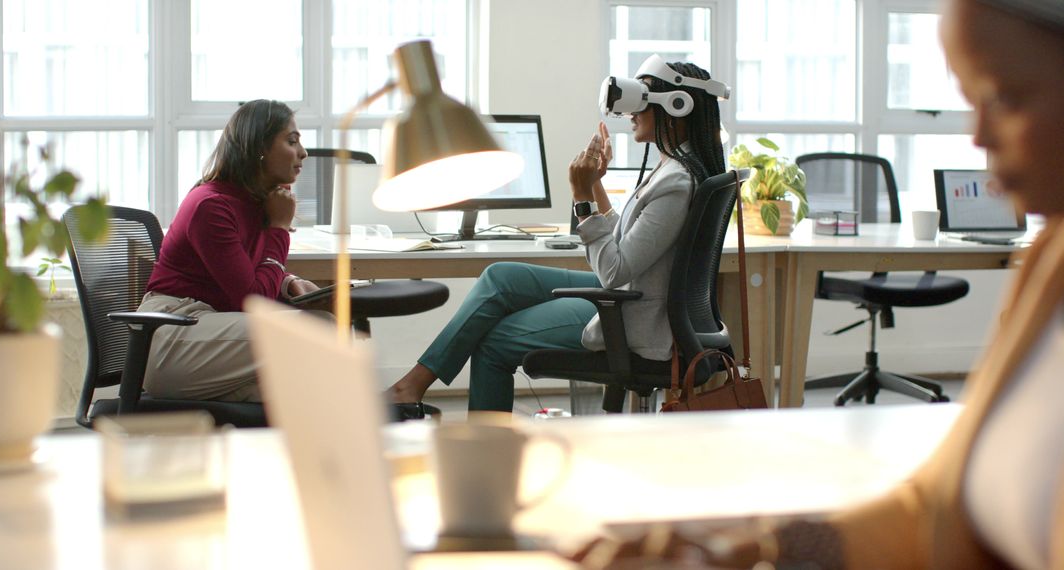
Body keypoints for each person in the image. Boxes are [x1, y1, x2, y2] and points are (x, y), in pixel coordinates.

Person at [573, 1, 1064, 568]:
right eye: (971, 100)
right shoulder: (1048, 265)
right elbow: (939, 505)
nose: (976, 136)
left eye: (1005, 98)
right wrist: (757, 546)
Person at [389, 57, 728, 412]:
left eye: (643, 101)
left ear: (676, 107)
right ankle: (413, 384)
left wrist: (581, 199)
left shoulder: (676, 181)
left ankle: (484, 454)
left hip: (632, 319)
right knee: (500, 276)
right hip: (628, 298)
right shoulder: (675, 168)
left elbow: (614, 270)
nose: (631, 112)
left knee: (492, 342)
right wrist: (595, 185)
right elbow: (628, 243)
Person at [139, 99, 320, 402]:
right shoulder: (211, 206)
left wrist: (287, 281)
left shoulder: (255, 201)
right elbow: (253, 301)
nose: (303, 153)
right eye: (291, 141)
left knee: (308, 373)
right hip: (173, 336)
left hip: (212, 329)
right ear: (258, 148)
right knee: (313, 333)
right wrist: (278, 228)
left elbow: (241, 272)